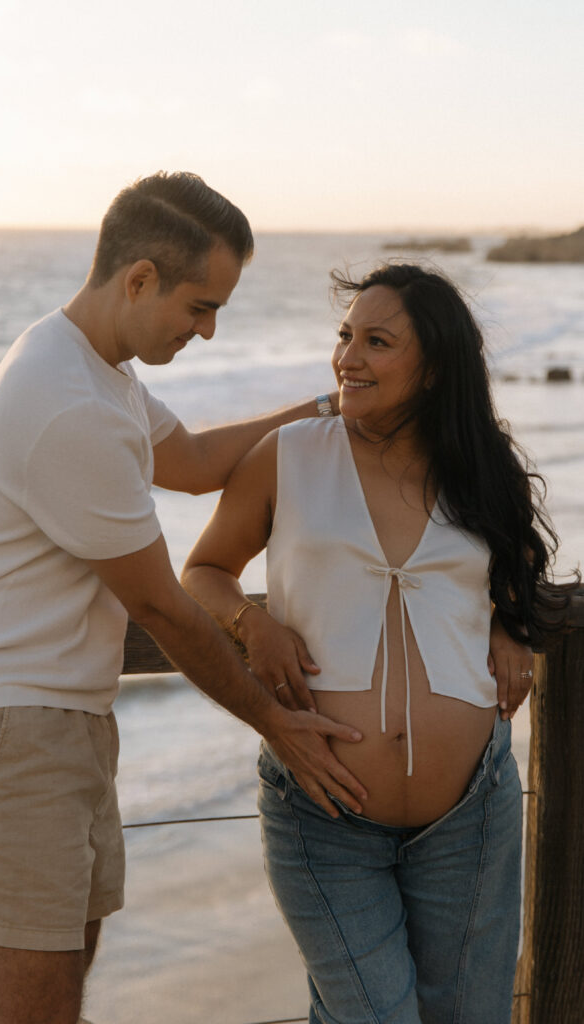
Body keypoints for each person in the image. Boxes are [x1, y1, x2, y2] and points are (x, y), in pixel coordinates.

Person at [0, 171, 369, 1024]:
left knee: (54, 997)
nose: (206, 332)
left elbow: (194, 462)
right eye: (200, 307)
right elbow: (162, 606)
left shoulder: (94, 367)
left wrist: (327, 408)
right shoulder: (67, 403)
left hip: (52, 717)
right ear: (138, 279)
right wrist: (278, 726)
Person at [182, 263, 573, 1024]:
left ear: (432, 370)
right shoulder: (287, 454)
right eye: (344, 336)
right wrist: (251, 624)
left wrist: (507, 623)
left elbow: (518, 557)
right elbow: (203, 570)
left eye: (376, 342)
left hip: (471, 814)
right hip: (321, 812)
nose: (346, 358)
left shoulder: (477, 463)